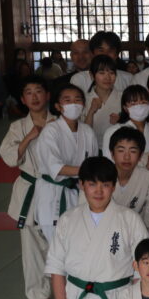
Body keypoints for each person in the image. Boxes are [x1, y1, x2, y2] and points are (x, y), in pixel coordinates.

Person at [45, 156, 148, 299]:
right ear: (81, 185)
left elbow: (143, 271)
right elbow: (56, 268)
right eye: (92, 184)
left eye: (105, 185)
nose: (99, 191)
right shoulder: (68, 219)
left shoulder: (129, 219)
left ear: (114, 186)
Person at [0, 77, 56, 299]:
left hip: (56, 189)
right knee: (31, 244)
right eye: (29, 93)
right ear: (23, 99)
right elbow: (9, 158)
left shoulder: (60, 122)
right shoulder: (17, 127)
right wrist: (29, 137)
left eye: (39, 91)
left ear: (47, 95)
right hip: (30, 189)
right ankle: (38, 292)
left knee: (60, 240)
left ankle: (66, 288)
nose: (34, 97)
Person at [35, 84, 99, 242]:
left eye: (78, 100)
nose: (74, 104)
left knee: (82, 239)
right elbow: (56, 167)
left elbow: (93, 161)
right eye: (68, 100)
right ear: (58, 106)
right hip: (54, 193)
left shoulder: (87, 131)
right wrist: (87, 170)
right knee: (56, 243)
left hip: (80, 191)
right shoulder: (51, 131)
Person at [107, 127, 149, 228]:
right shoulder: (99, 177)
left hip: (136, 232)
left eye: (133, 151)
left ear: (140, 155)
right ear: (112, 154)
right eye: (121, 150)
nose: (126, 157)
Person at [99, 85, 149, 158]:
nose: (140, 106)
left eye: (143, 102)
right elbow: (108, 160)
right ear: (125, 108)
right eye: (133, 104)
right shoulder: (113, 131)